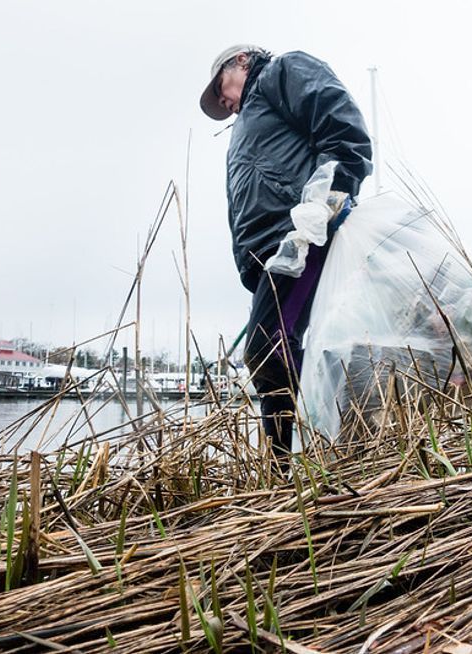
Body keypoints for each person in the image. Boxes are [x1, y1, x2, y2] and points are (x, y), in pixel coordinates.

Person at [200, 44, 372, 471]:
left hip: (299, 237)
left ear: (241, 61)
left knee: (267, 347)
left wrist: (330, 199)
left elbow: (342, 125)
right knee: (289, 347)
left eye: (221, 90)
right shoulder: (252, 119)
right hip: (271, 254)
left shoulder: (282, 72)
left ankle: (282, 471)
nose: (225, 103)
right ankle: (321, 458)